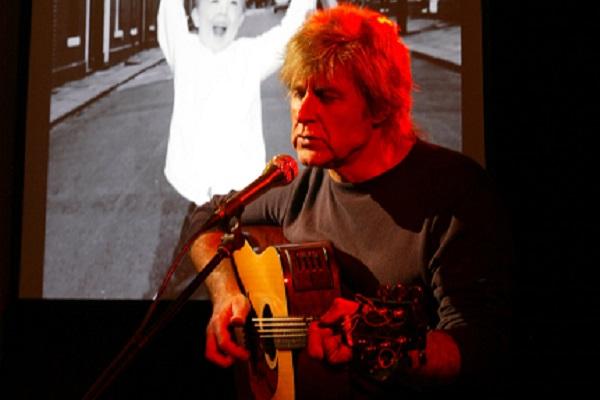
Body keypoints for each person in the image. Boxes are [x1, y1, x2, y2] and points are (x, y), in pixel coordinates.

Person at [186, 4, 513, 396]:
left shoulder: (454, 193)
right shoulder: (296, 190)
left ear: (378, 106)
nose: (303, 112)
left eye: (325, 96)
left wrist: (379, 343)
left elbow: (475, 346)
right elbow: (205, 219)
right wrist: (226, 294)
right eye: (297, 92)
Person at [155, 0, 316, 297]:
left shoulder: (249, 56)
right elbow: (168, 11)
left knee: (246, 284)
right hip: (199, 202)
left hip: (243, 201)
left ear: (242, 18)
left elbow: (289, 30)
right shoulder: (184, 51)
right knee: (184, 281)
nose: (223, 11)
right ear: (193, 15)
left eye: (233, 3)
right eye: (213, 1)